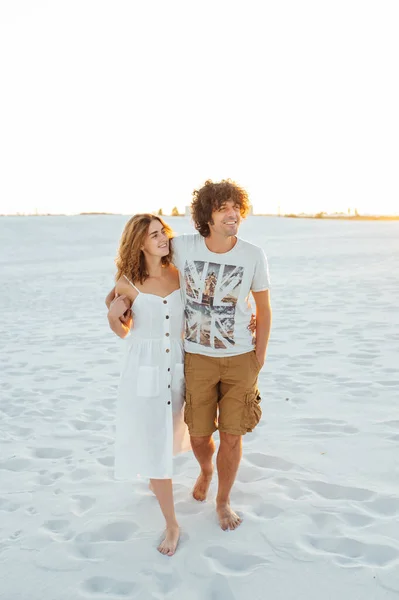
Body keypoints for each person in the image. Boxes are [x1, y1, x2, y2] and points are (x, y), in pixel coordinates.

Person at [107, 179, 272, 532]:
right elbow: (127, 289)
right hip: (193, 360)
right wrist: (114, 309)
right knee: (198, 435)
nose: (231, 215)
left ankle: (223, 501)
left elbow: (264, 307)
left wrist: (259, 355)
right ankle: (205, 469)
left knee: (232, 434)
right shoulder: (182, 248)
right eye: (222, 208)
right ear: (206, 217)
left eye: (235, 208)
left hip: (238, 358)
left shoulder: (248, 255)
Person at [107, 213, 190, 557]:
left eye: (163, 232)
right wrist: (115, 314)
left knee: (178, 434)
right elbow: (121, 328)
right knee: (156, 445)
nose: (162, 238)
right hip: (146, 369)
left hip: (181, 367)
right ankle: (172, 523)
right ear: (139, 243)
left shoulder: (179, 272)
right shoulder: (127, 282)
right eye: (154, 234)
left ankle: (179, 481)